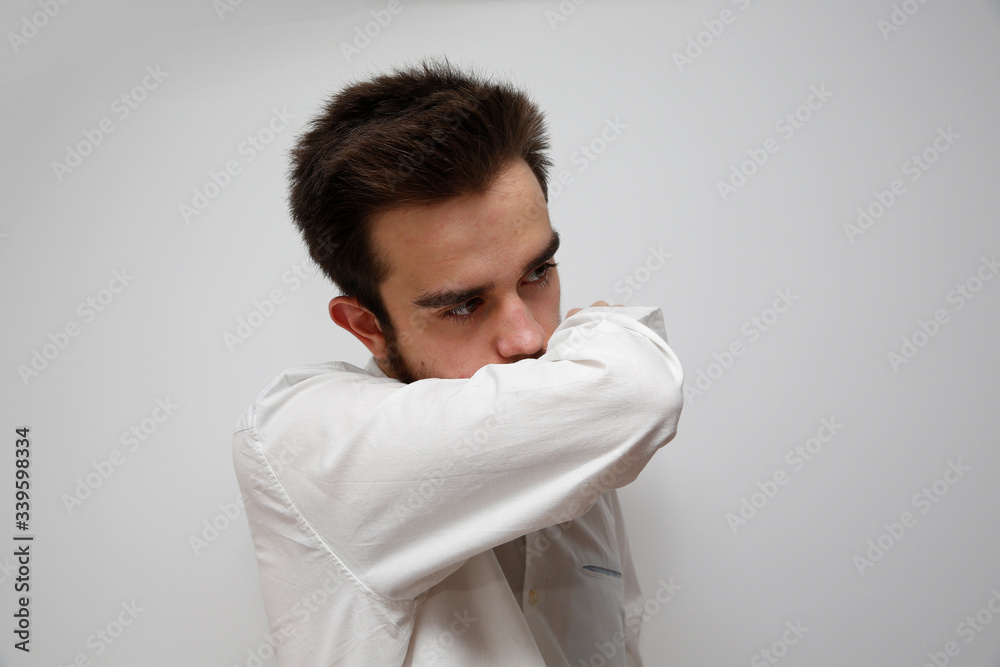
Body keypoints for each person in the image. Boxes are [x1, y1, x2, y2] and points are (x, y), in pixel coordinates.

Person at [232, 57, 684, 666]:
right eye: (465, 305)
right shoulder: (305, 442)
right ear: (368, 326)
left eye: (538, 272)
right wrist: (604, 330)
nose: (528, 339)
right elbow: (637, 393)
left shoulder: (565, 434)